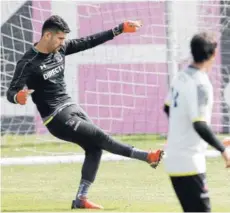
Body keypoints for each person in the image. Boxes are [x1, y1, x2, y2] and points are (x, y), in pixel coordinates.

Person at [7, 15, 164, 209]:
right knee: (100, 136)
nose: (62, 43)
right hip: (55, 118)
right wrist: (17, 97)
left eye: (64, 39)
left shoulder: (61, 49)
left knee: (95, 148)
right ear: (47, 35)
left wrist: (119, 28)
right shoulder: (28, 63)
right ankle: (147, 156)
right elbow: (11, 91)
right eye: (60, 39)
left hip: (71, 107)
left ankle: (81, 198)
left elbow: (88, 41)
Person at [163, 32, 230, 212]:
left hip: (174, 159)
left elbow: (168, 108)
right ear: (214, 55)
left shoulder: (180, 76)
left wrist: (182, 136)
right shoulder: (201, 84)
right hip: (190, 163)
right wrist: (223, 150)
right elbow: (199, 124)